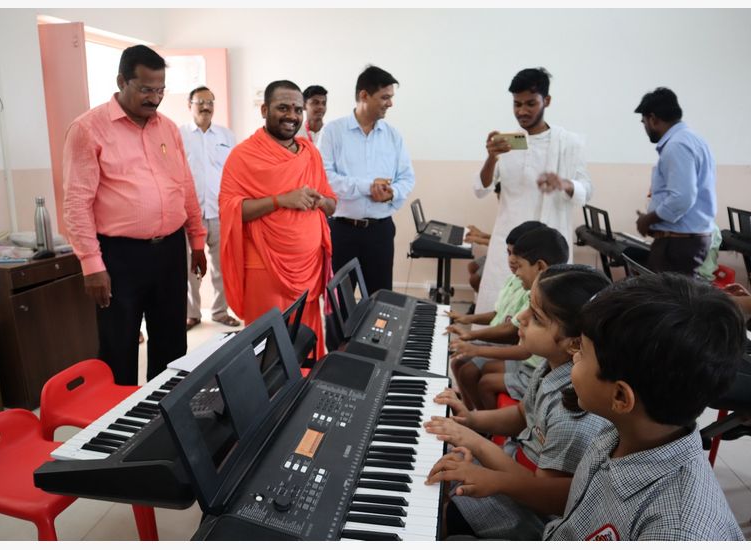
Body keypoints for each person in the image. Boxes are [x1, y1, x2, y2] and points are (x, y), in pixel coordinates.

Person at [543, 273, 745, 540]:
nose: (573, 355)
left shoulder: (677, 532)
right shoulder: (620, 433)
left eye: (582, 352)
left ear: (620, 397)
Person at [425, 264, 612, 540]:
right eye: (528, 306)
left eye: (536, 317)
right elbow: (521, 415)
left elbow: (542, 495)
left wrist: (476, 443)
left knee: (444, 508)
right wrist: (472, 419)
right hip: (515, 467)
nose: (520, 318)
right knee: (439, 465)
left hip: (526, 515)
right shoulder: (551, 366)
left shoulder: (574, 413)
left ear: (574, 344)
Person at [63, 45, 206, 386]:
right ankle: (120, 429)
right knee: (119, 345)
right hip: (119, 256)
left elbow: (184, 186)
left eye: (160, 90)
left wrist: (196, 239)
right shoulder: (88, 129)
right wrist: (92, 266)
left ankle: (165, 416)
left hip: (170, 250)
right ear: (121, 81)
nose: (154, 98)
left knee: (172, 341)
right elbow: (77, 203)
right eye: (145, 89)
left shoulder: (168, 129)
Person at [219, 80, 336, 357]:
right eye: (283, 107)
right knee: (269, 350)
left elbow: (331, 204)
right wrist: (280, 200)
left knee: (305, 346)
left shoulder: (310, 154)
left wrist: (321, 201)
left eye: (297, 109)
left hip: (308, 268)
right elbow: (230, 209)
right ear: (264, 109)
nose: (292, 116)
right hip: (264, 267)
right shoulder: (243, 155)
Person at [474, 67, 592, 312]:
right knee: (499, 310)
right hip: (508, 245)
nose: (522, 111)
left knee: (545, 315)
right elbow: (481, 188)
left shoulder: (568, 143)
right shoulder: (507, 142)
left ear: (546, 101)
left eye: (530, 103)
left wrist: (564, 183)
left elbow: (586, 190)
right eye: (517, 104)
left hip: (548, 249)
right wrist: (491, 158)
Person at [450, 226, 569, 410]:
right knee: (473, 370)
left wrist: (475, 346)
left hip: (533, 370)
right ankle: (475, 417)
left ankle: (483, 427)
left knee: (480, 377)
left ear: (540, 266)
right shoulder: (538, 294)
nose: (515, 270)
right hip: (535, 368)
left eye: (520, 264)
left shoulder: (551, 303)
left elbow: (524, 350)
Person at [320, 65, 415, 294]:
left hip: (379, 232)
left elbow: (407, 177)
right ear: (364, 95)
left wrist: (392, 192)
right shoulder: (333, 132)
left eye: (390, 97)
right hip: (341, 231)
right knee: (339, 304)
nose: (390, 103)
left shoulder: (393, 135)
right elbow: (324, 178)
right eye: (385, 97)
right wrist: (367, 187)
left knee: (380, 301)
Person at [634, 87, 717, 277]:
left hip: (678, 245)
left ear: (653, 119)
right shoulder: (693, 140)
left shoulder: (676, 145)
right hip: (685, 241)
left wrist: (648, 219)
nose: (645, 128)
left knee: (668, 302)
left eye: (644, 122)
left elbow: (682, 198)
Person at [179, 86, 240, 330]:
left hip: (220, 211)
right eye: (200, 102)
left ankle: (219, 311)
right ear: (189, 104)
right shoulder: (178, 134)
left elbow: (235, 172)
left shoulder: (226, 136)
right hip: (187, 214)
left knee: (222, 266)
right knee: (188, 268)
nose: (206, 106)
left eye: (210, 102)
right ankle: (191, 313)